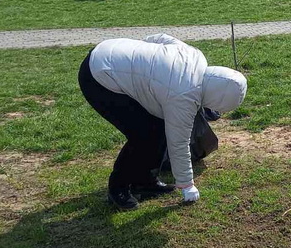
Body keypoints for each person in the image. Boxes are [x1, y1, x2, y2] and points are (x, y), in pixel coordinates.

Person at [78, 33, 247, 208]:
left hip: (112, 51)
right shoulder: (184, 96)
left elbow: (161, 38)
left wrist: (141, 58)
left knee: (156, 127)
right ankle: (118, 189)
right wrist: (187, 185)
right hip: (98, 76)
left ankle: (144, 181)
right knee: (142, 135)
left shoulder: (195, 56)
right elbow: (179, 144)